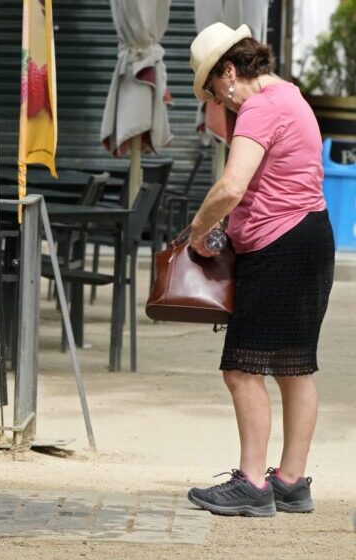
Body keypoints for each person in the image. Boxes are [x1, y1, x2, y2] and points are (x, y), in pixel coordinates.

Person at [185, 23, 333, 517]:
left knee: (242, 368)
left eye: (213, 90)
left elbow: (232, 186)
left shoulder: (260, 107)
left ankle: (251, 483)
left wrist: (198, 231)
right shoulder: (290, 95)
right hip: (310, 237)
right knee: (295, 366)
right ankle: (291, 482)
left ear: (229, 71)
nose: (217, 101)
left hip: (278, 246)